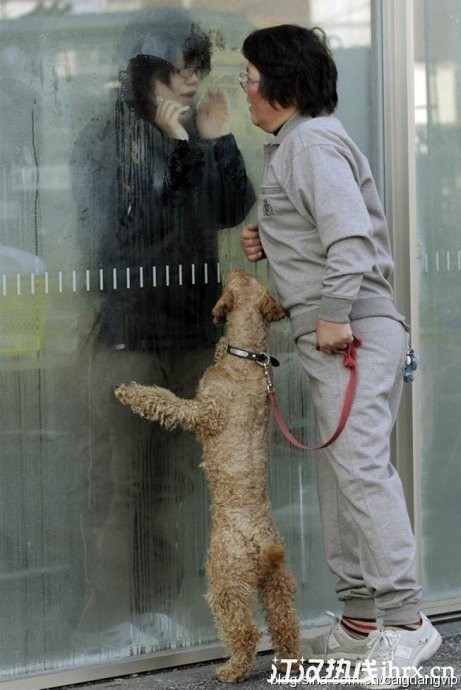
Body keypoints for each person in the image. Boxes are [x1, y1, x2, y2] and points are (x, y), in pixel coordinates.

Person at [239, 24, 441, 681]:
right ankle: (359, 620)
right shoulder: (298, 147)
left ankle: (407, 624)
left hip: (349, 333)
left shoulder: (312, 144)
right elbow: (325, 232)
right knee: (341, 479)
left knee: (359, 474)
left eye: (248, 75)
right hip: (339, 335)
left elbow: (350, 240)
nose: (242, 87)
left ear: (280, 84)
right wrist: (274, 239)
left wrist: (329, 316)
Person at [71, 9, 254, 655]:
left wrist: (219, 140)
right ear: (145, 68)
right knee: (118, 483)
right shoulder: (108, 136)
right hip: (127, 332)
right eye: (181, 66)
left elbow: (230, 210)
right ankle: (107, 615)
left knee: (168, 483)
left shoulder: (189, 133)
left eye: (198, 66)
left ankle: (153, 606)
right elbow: (129, 232)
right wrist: (182, 149)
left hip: (188, 331)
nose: (191, 79)